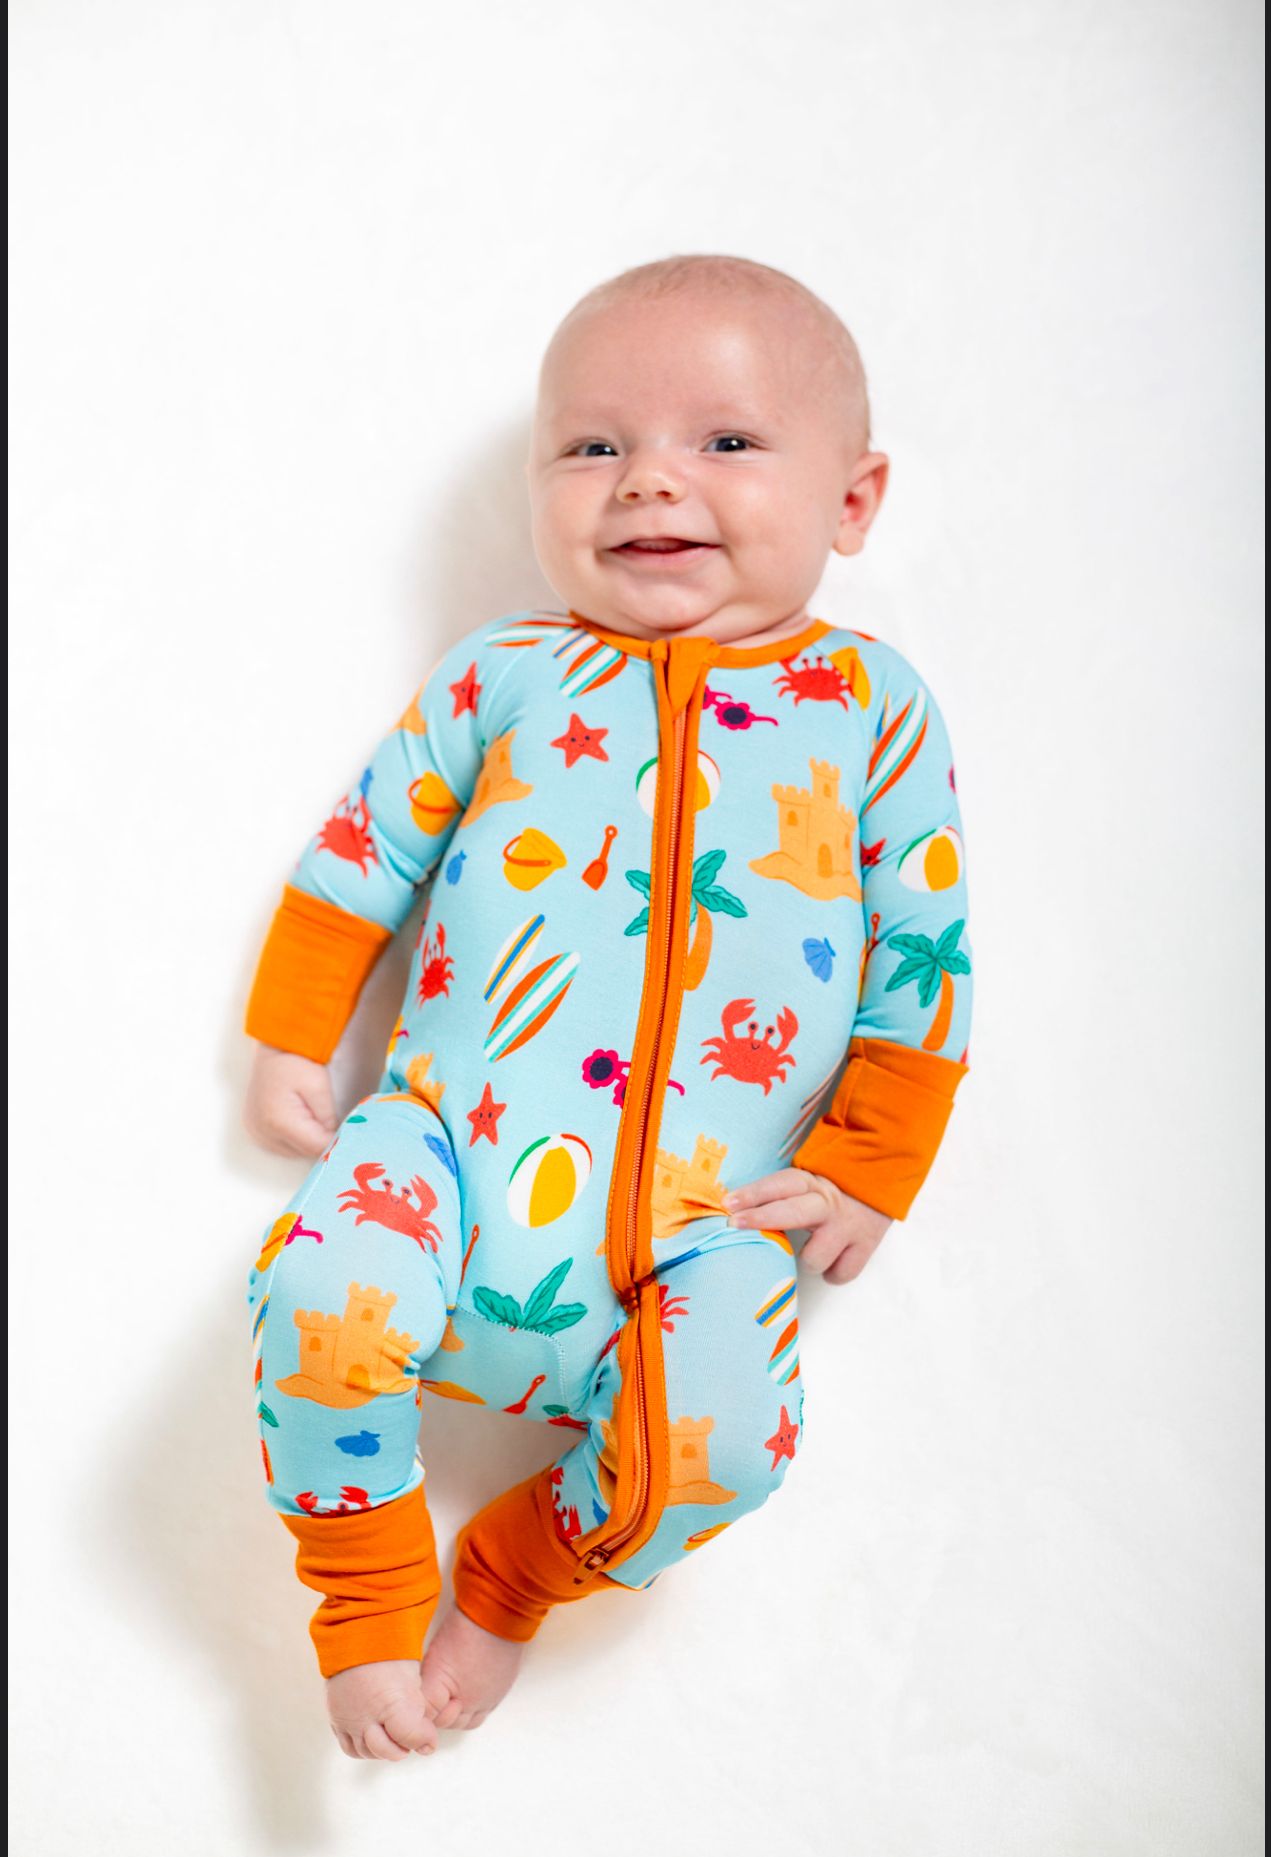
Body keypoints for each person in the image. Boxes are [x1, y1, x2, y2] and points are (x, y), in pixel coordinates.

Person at [242, 253, 973, 1761]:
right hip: (445, 1152)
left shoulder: (873, 710)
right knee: (314, 1297)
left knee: (728, 1448)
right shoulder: (506, 674)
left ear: (852, 500)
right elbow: (364, 846)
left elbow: (928, 950)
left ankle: (514, 1570)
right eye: (593, 445)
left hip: (715, 1229)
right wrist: (293, 1025)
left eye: (723, 442)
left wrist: (874, 1155)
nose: (647, 481)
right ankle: (367, 1591)